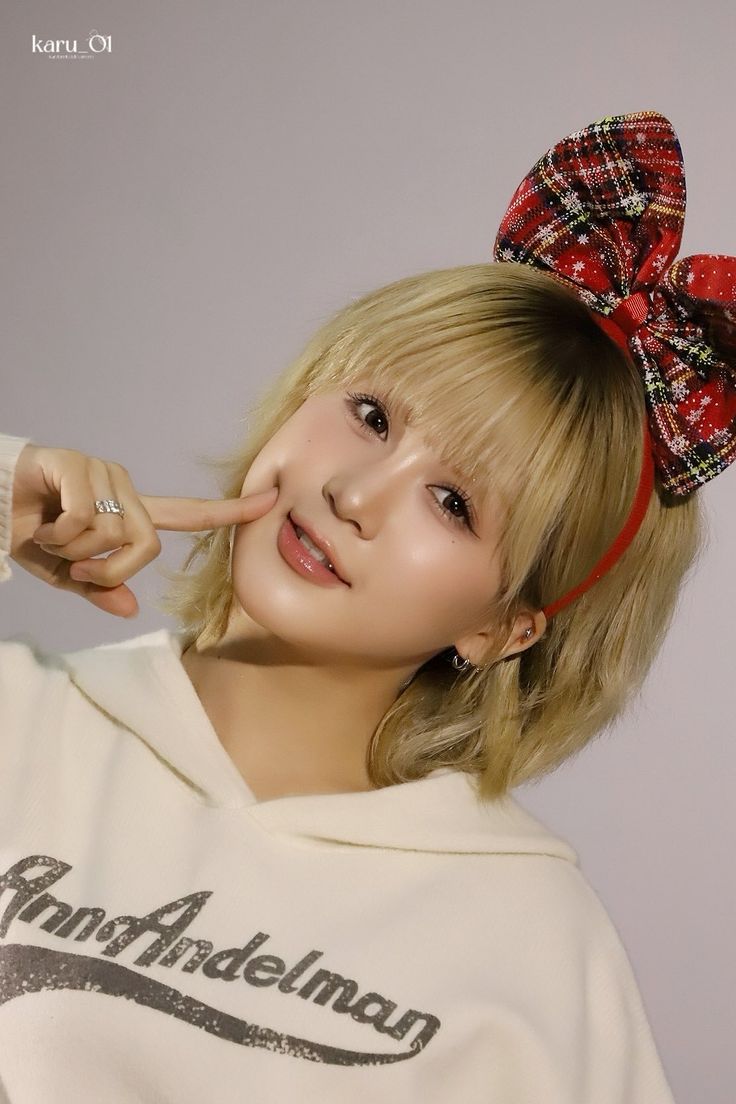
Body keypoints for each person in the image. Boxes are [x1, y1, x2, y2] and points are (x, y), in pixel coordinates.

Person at [0, 109, 733, 1102]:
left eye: (453, 503)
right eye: (372, 415)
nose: (354, 493)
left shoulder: (530, 943)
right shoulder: (23, 721)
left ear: (504, 626)